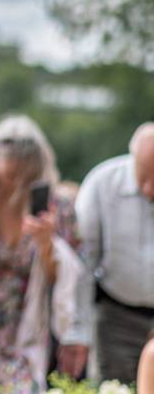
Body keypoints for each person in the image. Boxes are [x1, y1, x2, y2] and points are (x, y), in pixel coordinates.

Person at [0, 116, 88, 393]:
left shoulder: (58, 207)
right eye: (7, 176)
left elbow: (65, 281)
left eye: (22, 177)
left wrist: (46, 244)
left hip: (29, 326)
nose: (13, 185)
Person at [76, 122, 154, 383]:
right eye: (144, 176)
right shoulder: (102, 183)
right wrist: (78, 330)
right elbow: (84, 263)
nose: (149, 189)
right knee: (114, 386)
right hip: (117, 319)